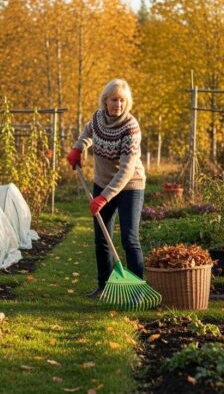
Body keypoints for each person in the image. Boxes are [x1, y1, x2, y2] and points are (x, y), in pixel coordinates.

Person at [66, 78, 146, 298]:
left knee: (130, 238)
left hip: (130, 186)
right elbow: (87, 132)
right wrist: (78, 147)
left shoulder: (131, 127)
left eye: (122, 101)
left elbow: (127, 170)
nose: (117, 105)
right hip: (102, 182)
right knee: (102, 238)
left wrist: (104, 197)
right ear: (105, 100)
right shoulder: (98, 119)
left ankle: (137, 291)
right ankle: (104, 286)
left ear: (126, 103)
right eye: (113, 100)